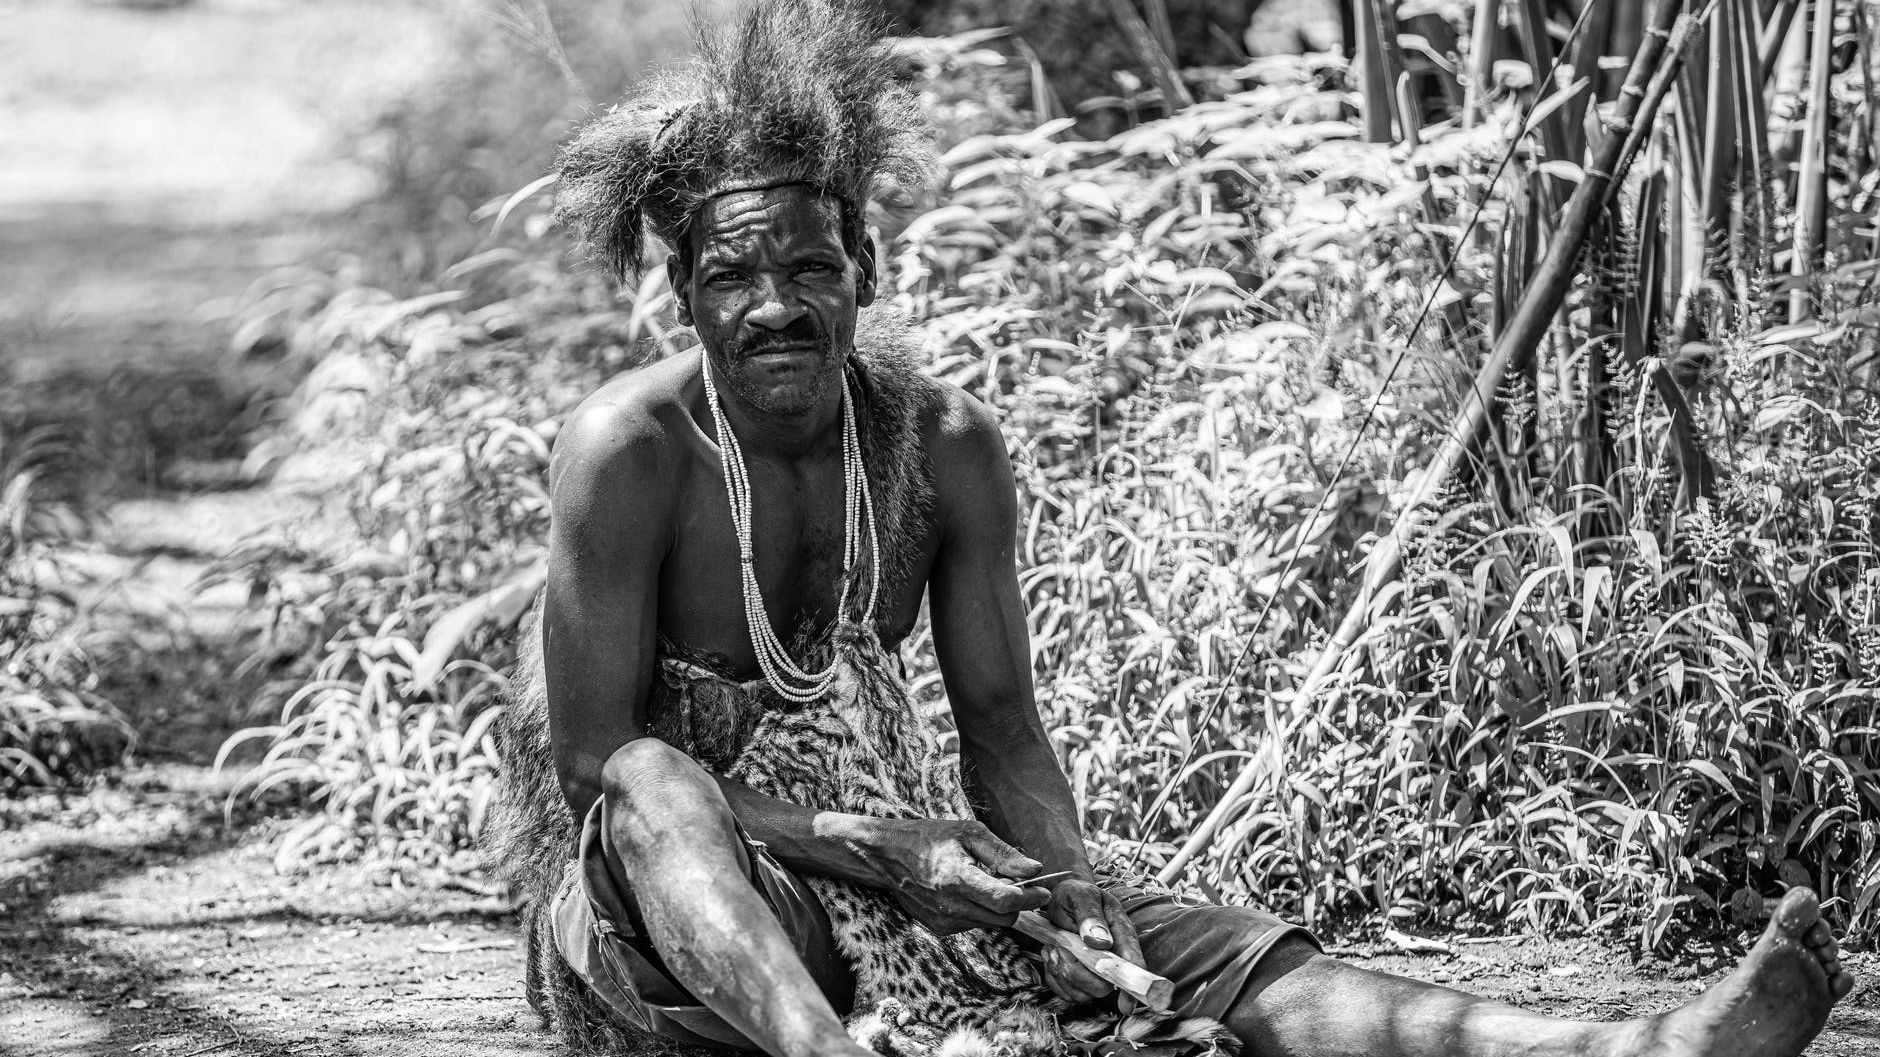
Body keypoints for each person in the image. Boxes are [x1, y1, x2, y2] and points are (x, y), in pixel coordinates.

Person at [487, 4, 1857, 1056]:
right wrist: (877, 844)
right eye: (733, 272)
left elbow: (1003, 728)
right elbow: (596, 761)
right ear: (684, 295)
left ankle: (1627, 1049)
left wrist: (1071, 896)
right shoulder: (631, 454)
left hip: (900, 895)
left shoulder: (941, 447)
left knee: (1191, 952)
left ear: (867, 269)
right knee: (658, 775)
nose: (776, 304)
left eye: (809, 265)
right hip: (682, 922)